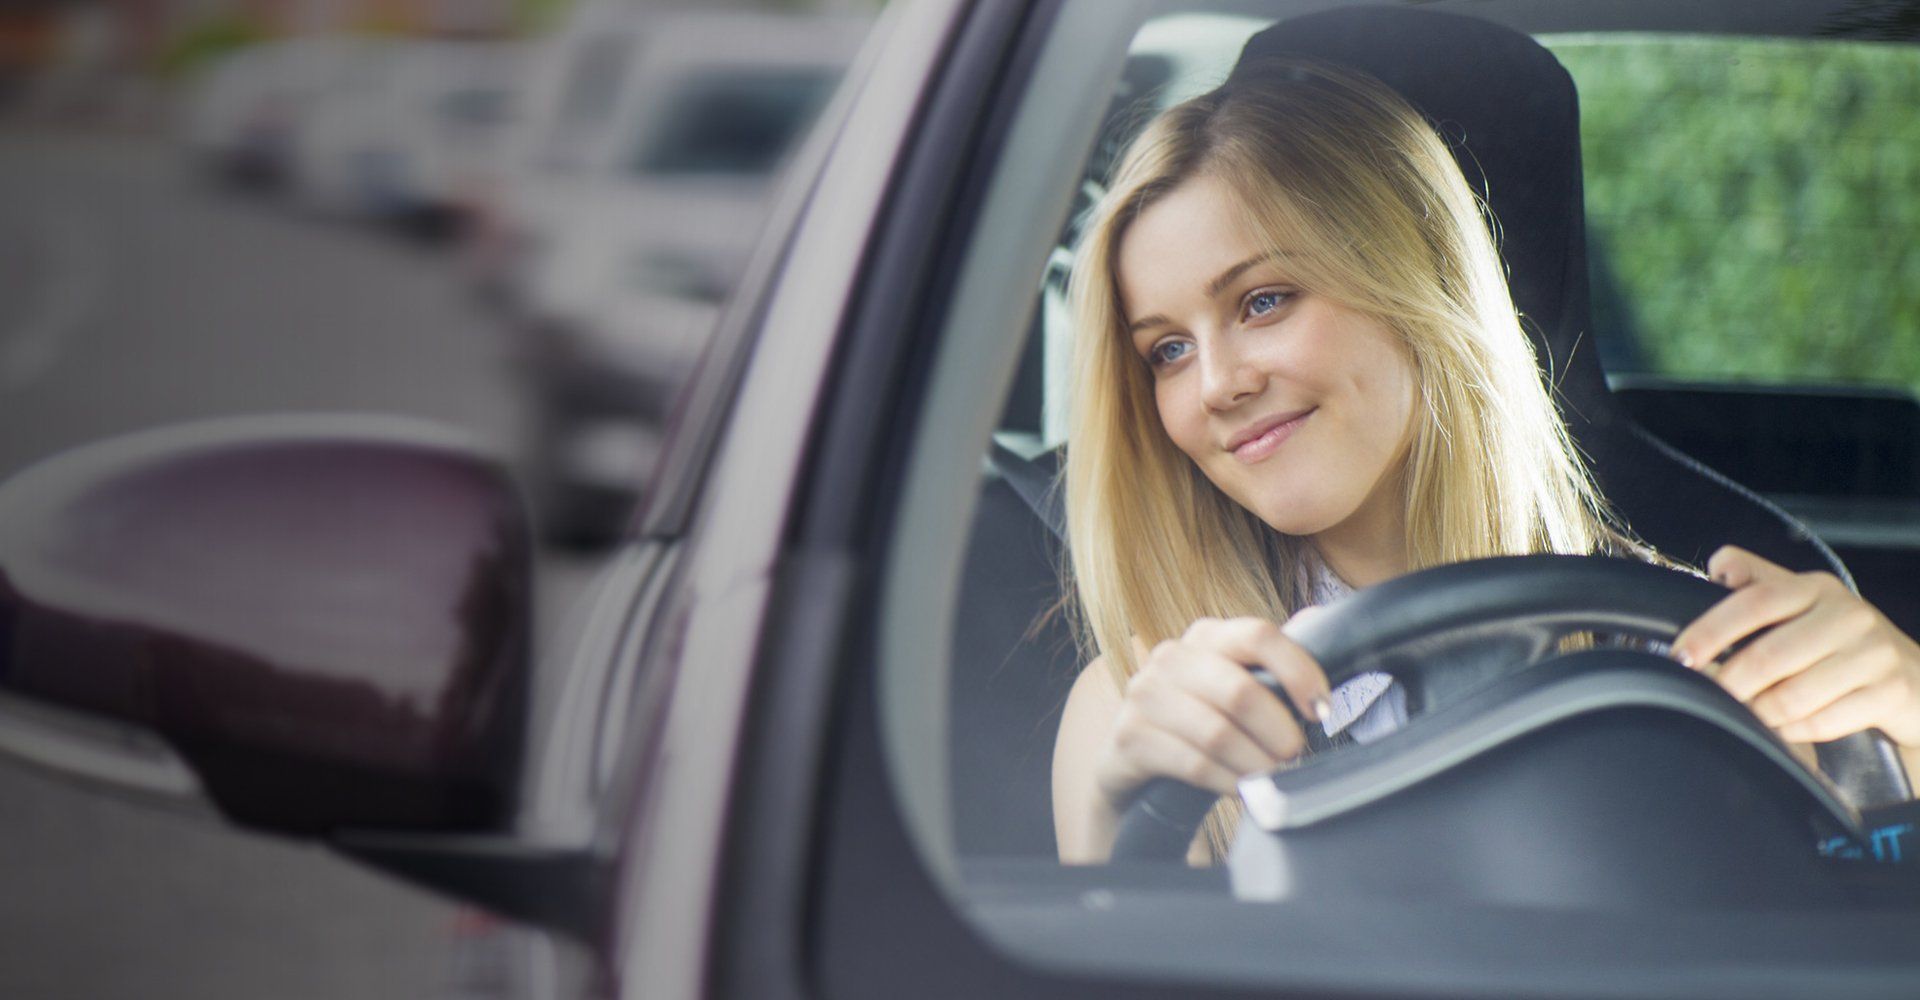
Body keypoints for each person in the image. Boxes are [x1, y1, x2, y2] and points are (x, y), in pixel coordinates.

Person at [1049, 60, 1920, 865]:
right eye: (1165, 351)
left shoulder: (1716, 660)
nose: (1215, 386)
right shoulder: (1148, 711)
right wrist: (1117, 834)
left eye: (1263, 301)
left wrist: (1910, 727)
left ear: (1420, 285)